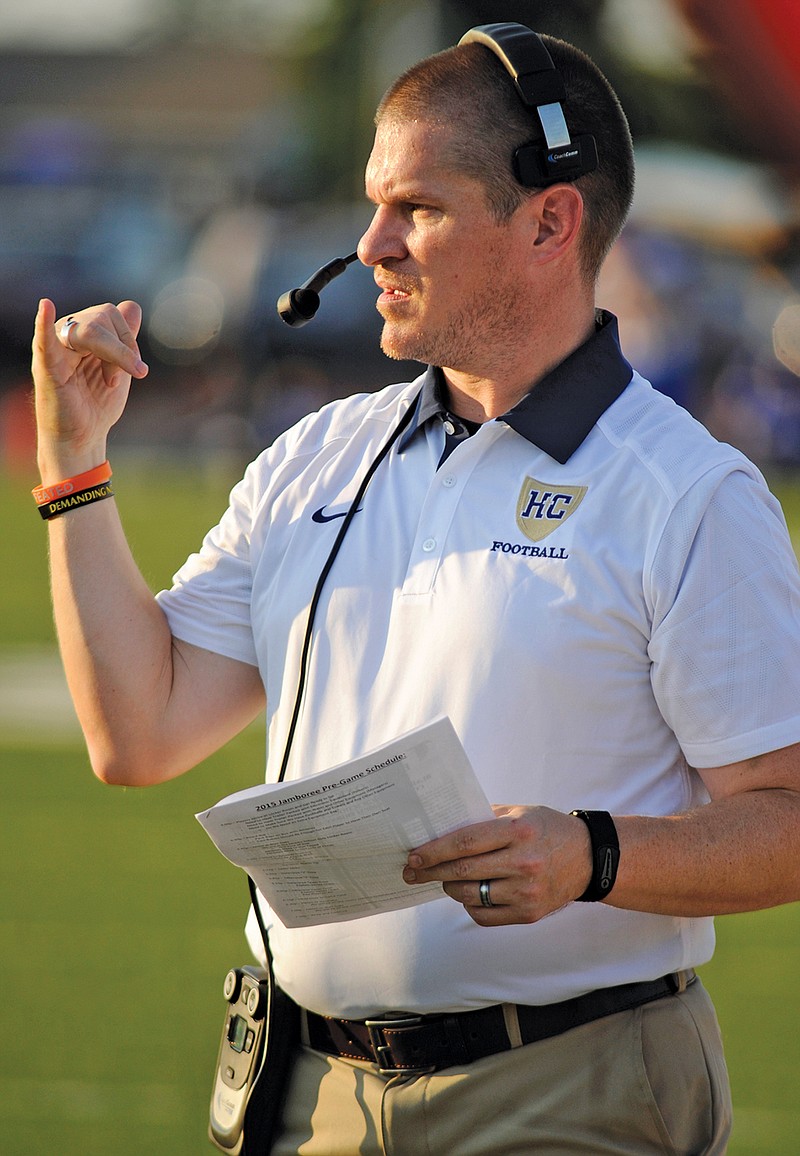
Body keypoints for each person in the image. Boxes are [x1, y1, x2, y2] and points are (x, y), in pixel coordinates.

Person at [31, 23, 800, 1156]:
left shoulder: (687, 494)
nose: (371, 242)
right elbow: (136, 730)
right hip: (306, 1091)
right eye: (373, 204)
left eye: (418, 209)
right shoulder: (312, 459)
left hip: (570, 1090)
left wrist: (591, 853)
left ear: (549, 219)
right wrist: (74, 469)